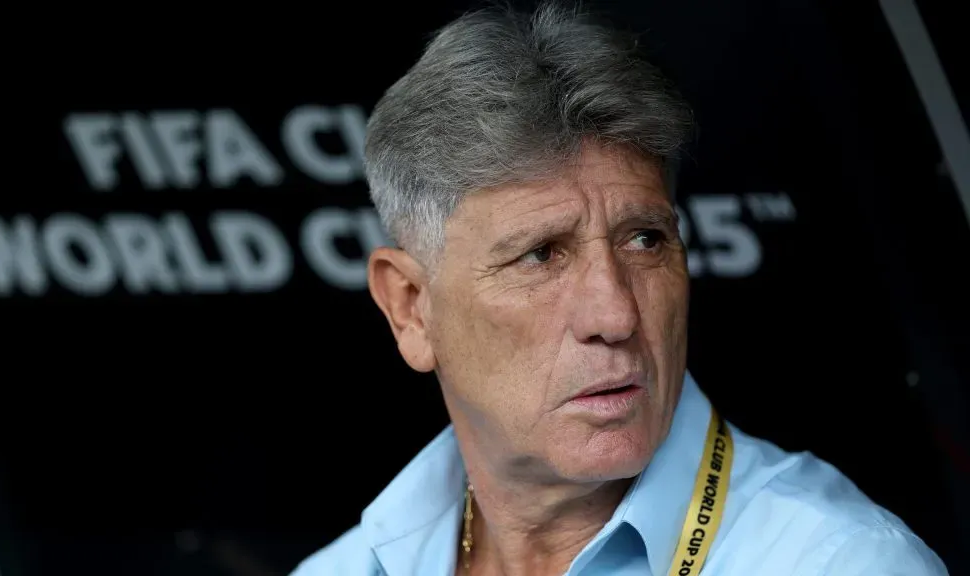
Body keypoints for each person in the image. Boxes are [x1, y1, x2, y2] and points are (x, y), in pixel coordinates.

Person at [291, 3, 948, 575]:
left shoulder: (838, 562)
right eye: (541, 255)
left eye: (645, 240)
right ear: (411, 308)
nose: (616, 314)